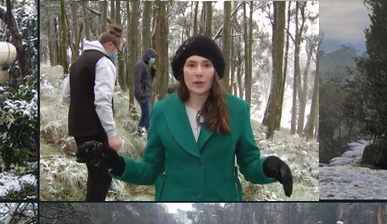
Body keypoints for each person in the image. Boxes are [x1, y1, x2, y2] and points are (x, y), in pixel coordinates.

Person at [76, 35, 292, 201]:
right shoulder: (162, 111)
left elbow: (250, 165)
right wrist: (116, 163)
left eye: (206, 65)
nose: (199, 72)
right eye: (192, 65)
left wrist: (268, 167)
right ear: (182, 71)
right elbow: (151, 169)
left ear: (215, 71)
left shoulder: (236, 109)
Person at [62, 25, 124, 201]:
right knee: (102, 178)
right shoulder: (104, 63)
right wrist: (112, 134)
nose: (116, 55)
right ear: (110, 45)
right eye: (118, 51)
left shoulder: (76, 63)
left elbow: (66, 96)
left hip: (78, 129)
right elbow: (102, 101)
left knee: (94, 174)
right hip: (98, 129)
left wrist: (81, 110)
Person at [133, 48, 157, 136]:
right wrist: (141, 95)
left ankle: (139, 130)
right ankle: (151, 134)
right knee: (148, 115)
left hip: (146, 93)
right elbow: (137, 81)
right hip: (143, 95)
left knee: (145, 113)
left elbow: (148, 80)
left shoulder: (146, 65)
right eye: (152, 57)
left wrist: (153, 72)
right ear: (147, 56)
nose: (153, 59)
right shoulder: (140, 64)